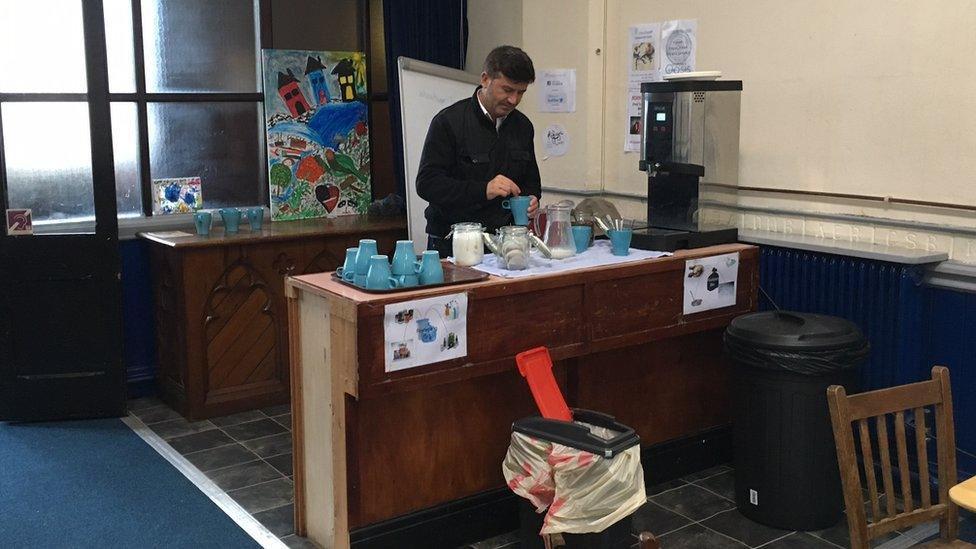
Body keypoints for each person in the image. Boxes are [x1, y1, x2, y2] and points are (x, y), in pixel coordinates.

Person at [416, 45, 542, 257]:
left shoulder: (523, 126)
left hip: (507, 242)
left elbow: (531, 182)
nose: (514, 100)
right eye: (507, 90)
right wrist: (483, 190)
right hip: (453, 243)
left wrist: (533, 200)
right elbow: (427, 184)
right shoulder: (449, 122)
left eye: (521, 92)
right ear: (485, 79)